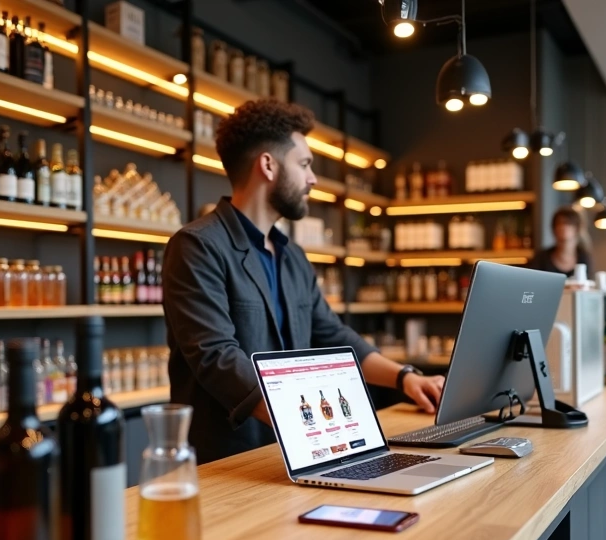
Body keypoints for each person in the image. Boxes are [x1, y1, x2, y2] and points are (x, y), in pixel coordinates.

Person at [163, 99, 446, 464]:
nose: (312, 179)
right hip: (229, 459)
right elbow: (217, 357)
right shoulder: (198, 246)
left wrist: (405, 378)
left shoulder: (292, 256)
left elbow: (331, 334)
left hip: (298, 451)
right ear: (268, 165)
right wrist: (311, 425)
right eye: (305, 164)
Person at [533, 206, 593, 277]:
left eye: (568, 223)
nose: (563, 227)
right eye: (559, 223)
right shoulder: (542, 257)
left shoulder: (584, 257)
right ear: (554, 228)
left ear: (577, 228)